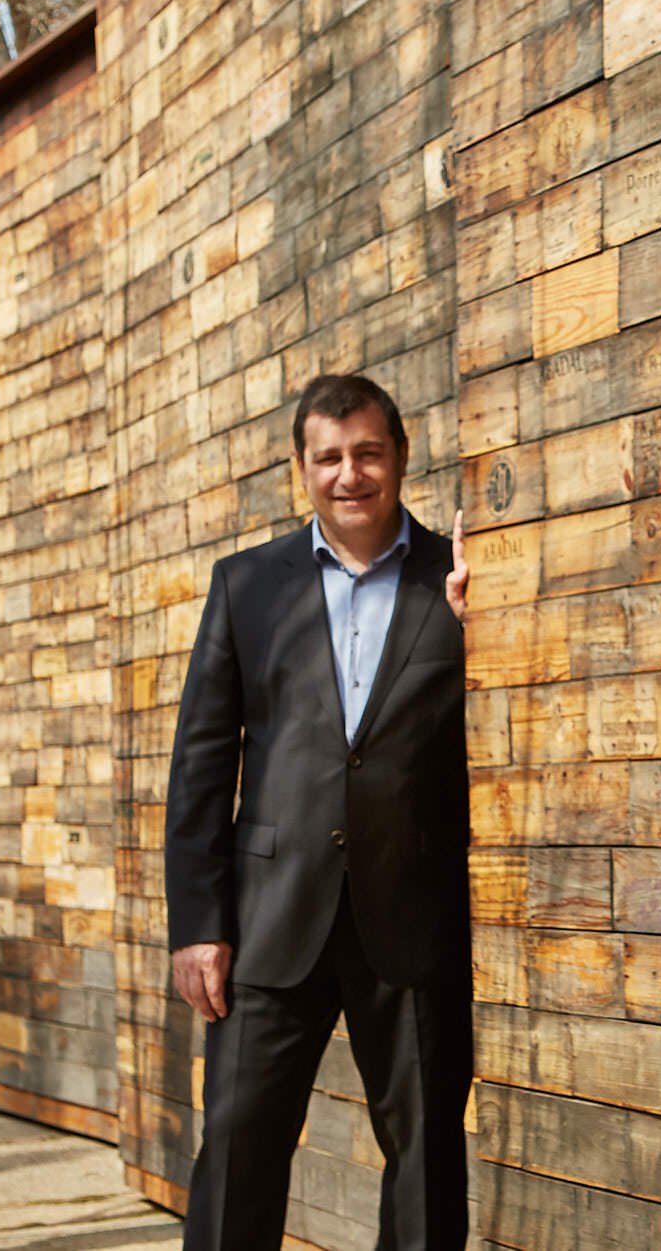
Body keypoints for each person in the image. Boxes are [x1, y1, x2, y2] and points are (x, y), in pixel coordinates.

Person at [164, 372, 472, 1251]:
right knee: (235, 1151)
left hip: (411, 921)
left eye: (368, 453)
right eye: (329, 457)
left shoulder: (453, 580)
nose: (350, 474)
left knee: (425, 1167)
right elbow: (200, 764)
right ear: (302, 469)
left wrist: (484, 629)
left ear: (400, 457)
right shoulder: (247, 585)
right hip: (268, 921)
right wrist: (197, 924)